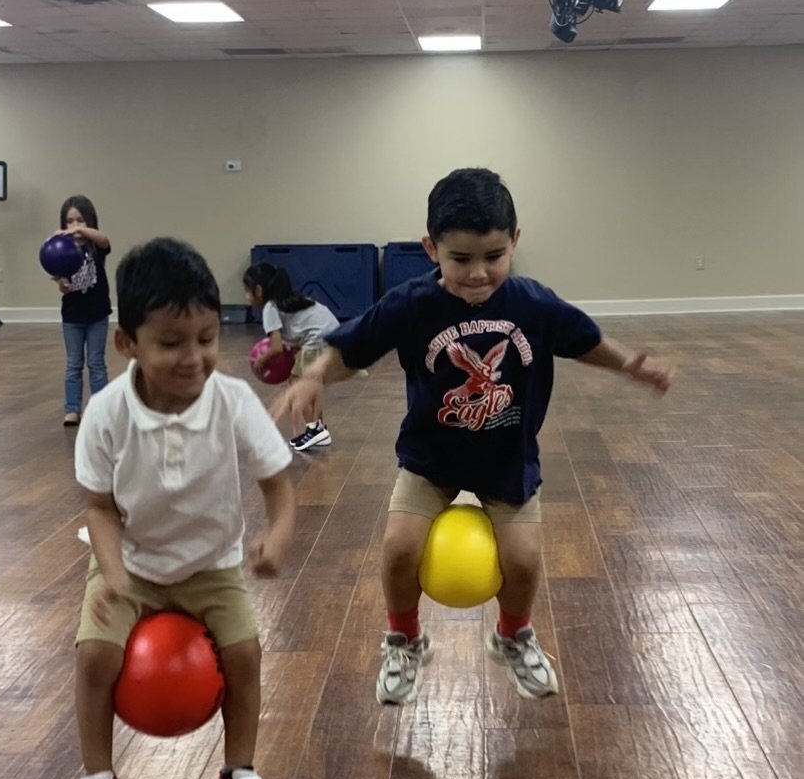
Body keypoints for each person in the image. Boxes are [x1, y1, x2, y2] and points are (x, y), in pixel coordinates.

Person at [273, 167, 672, 706]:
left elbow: (584, 339)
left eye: (494, 256)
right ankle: (404, 641)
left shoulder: (532, 303)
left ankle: (512, 636)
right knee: (399, 549)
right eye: (460, 259)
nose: (479, 273)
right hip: (430, 457)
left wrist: (628, 365)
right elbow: (352, 347)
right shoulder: (412, 303)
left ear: (515, 242)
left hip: (507, 458)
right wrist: (315, 377)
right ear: (431, 248)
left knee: (523, 560)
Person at [63, 237, 296, 779]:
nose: (194, 358)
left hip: (211, 567)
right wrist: (114, 575)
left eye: (206, 338)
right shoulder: (107, 413)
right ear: (127, 343)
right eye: (171, 344)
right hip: (131, 565)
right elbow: (99, 507)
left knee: (245, 655)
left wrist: (277, 535)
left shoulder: (232, 401)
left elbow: (278, 484)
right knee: (94, 656)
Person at [243, 262, 341, 452]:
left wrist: (261, 360)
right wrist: (297, 347)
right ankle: (319, 430)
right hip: (333, 335)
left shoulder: (270, 308)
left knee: (299, 385)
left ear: (258, 290)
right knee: (309, 385)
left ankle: (315, 430)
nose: (245, 296)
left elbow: (276, 348)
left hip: (318, 339)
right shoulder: (290, 299)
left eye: (247, 290)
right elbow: (303, 325)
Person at [53, 195, 112, 427]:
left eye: (80, 220)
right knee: (73, 364)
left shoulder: (96, 247)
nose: (74, 226)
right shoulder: (62, 251)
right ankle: (72, 409)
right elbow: (62, 283)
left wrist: (80, 231)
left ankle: (101, 410)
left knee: (96, 363)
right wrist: (63, 286)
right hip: (72, 317)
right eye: (69, 221)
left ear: (90, 222)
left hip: (97, 314)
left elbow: (104, 239)